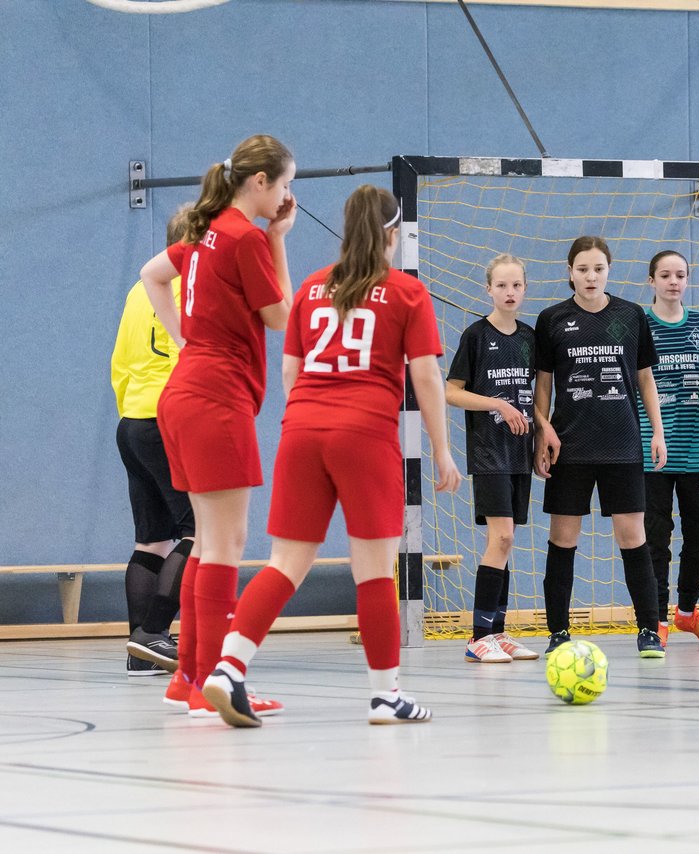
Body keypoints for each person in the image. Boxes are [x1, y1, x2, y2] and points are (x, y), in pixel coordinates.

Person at [201, 185, 462, 727]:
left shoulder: (313, 288)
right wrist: (441, 451)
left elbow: (291, 374)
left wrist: (303, 425)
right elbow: (427, 379)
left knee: (284, 565)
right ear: (393, 235)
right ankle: (385, 696)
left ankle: (229, 666)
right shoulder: (407, 293)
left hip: (302, 429)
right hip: (364, 435)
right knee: (373, 573)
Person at [138, 134, 296, 717]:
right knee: (225, 544)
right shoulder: (242, 237)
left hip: (185, 394)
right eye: (283, 185)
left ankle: (188, 678)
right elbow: (281, 316)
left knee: (207, 542)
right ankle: (216, 680)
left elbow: (151, 274)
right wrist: (277, 240)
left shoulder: (202, 232)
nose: (285, 196)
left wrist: (184, 337)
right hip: (214, 399)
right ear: (260, 183)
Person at [533, 236, 668, 658]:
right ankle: (558, 632)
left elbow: (645, 378)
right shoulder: (552, 318)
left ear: (610, 270)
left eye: (598, 269)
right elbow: (543, 385)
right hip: (568, 447)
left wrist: (657, 431)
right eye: (583, 269)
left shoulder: (631, 316)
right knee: (563, 540)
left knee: (634, 538)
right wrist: (542, 432)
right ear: (569, 271)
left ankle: (649, 630)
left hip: (623, 443)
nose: (591, 277)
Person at [112, 205, 195, 677]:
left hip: (133, 421)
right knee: (199, 532)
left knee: (151, 541)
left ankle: (139, 652)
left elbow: (121, 361)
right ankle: (155, 633)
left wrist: (133, 409)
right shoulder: (192, 285)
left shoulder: (138, 289)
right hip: (170, 420)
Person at [445, 254, 540, 664]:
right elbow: (451, 391)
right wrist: (496, 404)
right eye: (501, 285)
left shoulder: (530, 338)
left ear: (524, 288)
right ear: (489, 289)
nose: (509, 292)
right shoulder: (476, 336)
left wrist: (543, 432)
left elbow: (535, 395)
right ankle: (478, 636)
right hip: (489, 451)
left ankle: (497, 634)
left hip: (520, 452)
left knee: (507, 541)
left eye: (516, 285)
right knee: (499, 538)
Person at [639, 250, 699, 644]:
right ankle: (657, 620)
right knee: (656, 540)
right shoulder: (640, 324)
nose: (673, 281)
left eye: (680, 274)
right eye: (665, 275)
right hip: (653, 453)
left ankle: (686, 612)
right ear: (652, 281)